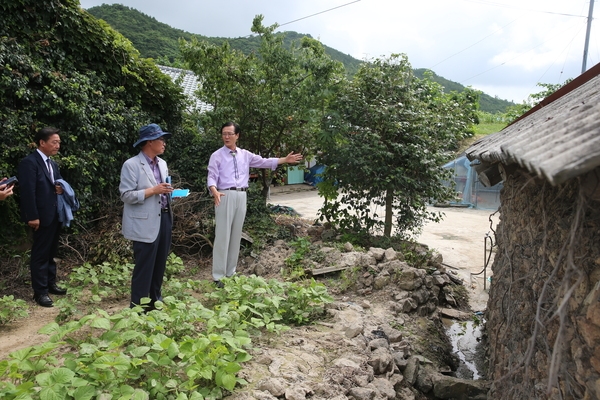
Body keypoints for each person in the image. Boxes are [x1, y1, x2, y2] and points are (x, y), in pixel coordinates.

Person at [207, 122, 303, 287]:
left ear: (237, 136)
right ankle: (218, 276)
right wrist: (213, 190)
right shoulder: (217, 155)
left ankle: (230, 273)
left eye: (230, 133)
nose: (227, 137)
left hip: (241, 195)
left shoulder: (245, 154)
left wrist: (284, 160)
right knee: (223, 236)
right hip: (224, 194)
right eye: (224, 134)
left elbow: (264, 162)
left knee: (236, 235)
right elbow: (211, 176)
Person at [120, 123, 174, 310]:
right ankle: (138, 307)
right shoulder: (131, 165)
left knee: (159, 264)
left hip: (164, 218)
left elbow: (162, 190)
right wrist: (153, 190)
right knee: (144, 266)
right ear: (150, 142)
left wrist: (169, 191)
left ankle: (154, 301)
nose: (164, 143)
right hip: (143, 222)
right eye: (161, 139)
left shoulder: (162, 164)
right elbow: (126, 195)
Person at [18, 127, 67, 307]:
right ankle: (40, 292)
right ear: (42, 143)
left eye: (59, 142)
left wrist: (61, 188)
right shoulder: (29, 163)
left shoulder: (52, 164)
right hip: (40, 216)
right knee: (40, 253)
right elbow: (28, 192)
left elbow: (59, 183)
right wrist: (32, 216)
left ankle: (50, 283)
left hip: (55, 214)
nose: (57, 146)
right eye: (54, 142)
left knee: (51, 252)